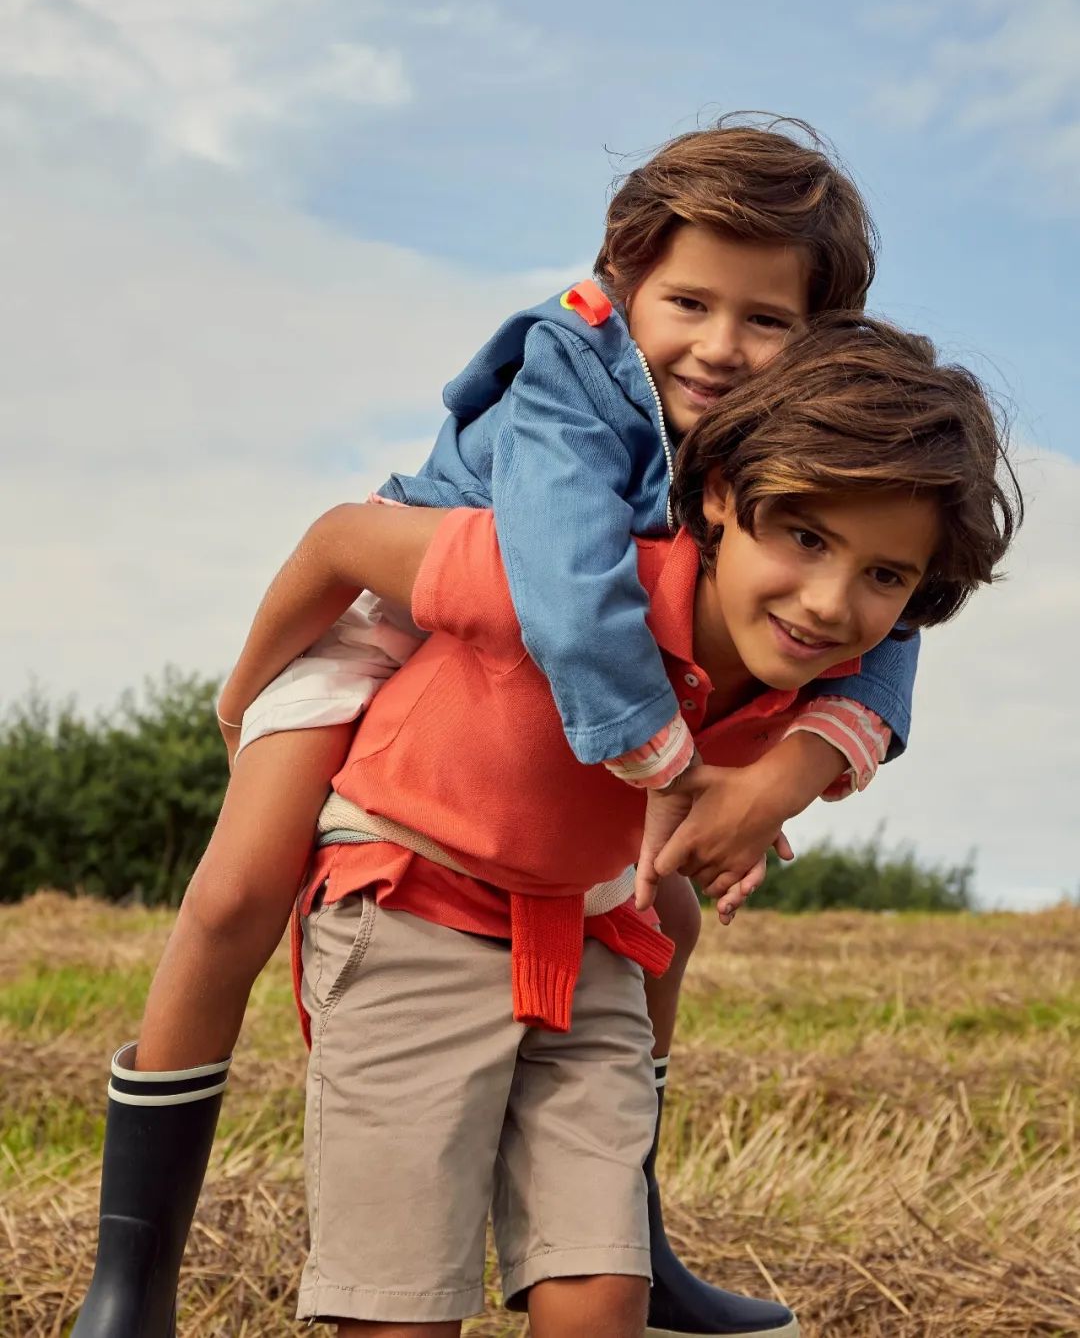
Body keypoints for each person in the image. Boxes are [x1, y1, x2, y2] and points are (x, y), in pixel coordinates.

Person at [73, 121, 914, 1338]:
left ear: (818, 333)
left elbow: (900, 607)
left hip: (560, 659)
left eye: (768, 322)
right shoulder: (571, 369)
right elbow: (560, 584)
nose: (722, 348)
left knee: (659, 914)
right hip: (415, 593)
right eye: (688, 301)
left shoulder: (800, 440)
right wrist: (251, 683)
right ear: (623, 280)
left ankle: (631, 1236)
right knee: (238, 892)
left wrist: (793, 769)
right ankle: (131, 1279)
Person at [238, 316, 1018, 1335]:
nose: (831, 603)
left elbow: (856, 722)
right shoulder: (555, 579)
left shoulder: (810, 678)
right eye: (807, 538)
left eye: (884, 576)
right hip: (412, 908)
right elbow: (343, 539)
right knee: (399, 1311)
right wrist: (244, 698)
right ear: (722, 498)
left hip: (589, 944)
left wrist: (753, 816)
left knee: (604, 1294)